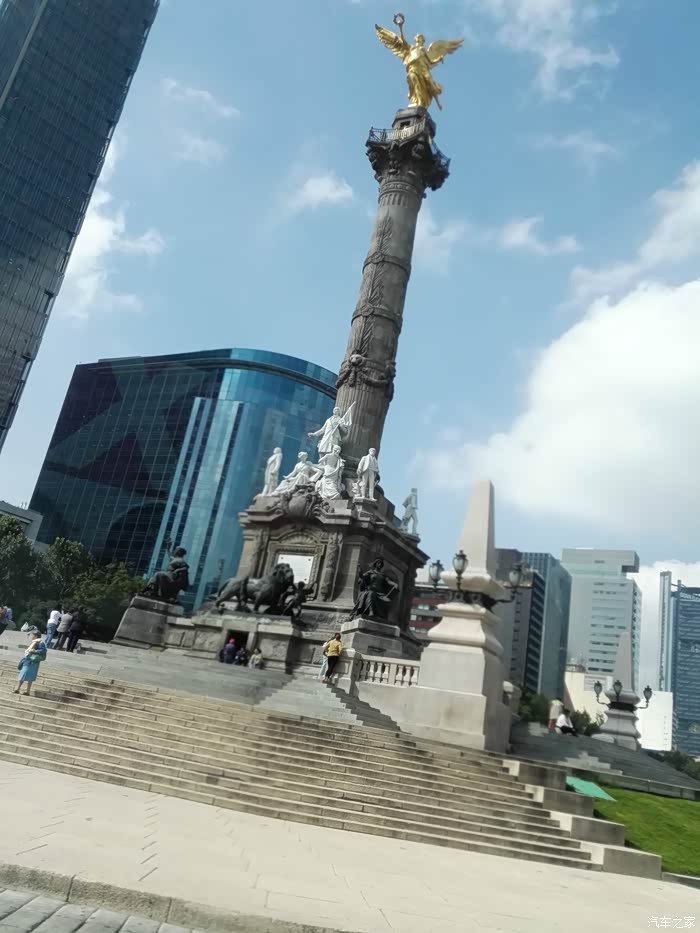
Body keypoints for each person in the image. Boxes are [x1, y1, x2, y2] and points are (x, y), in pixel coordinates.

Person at [14, 631, 47, 695]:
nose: (31, 636)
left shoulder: (40, 642)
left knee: (30, 676)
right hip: (28, 660)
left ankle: (26, 691)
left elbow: (43, 651)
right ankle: (18, 689)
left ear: (36, 636)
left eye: (32, 635)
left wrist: (34, 651)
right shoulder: (34, 642)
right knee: (23, 674)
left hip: (33, 661)